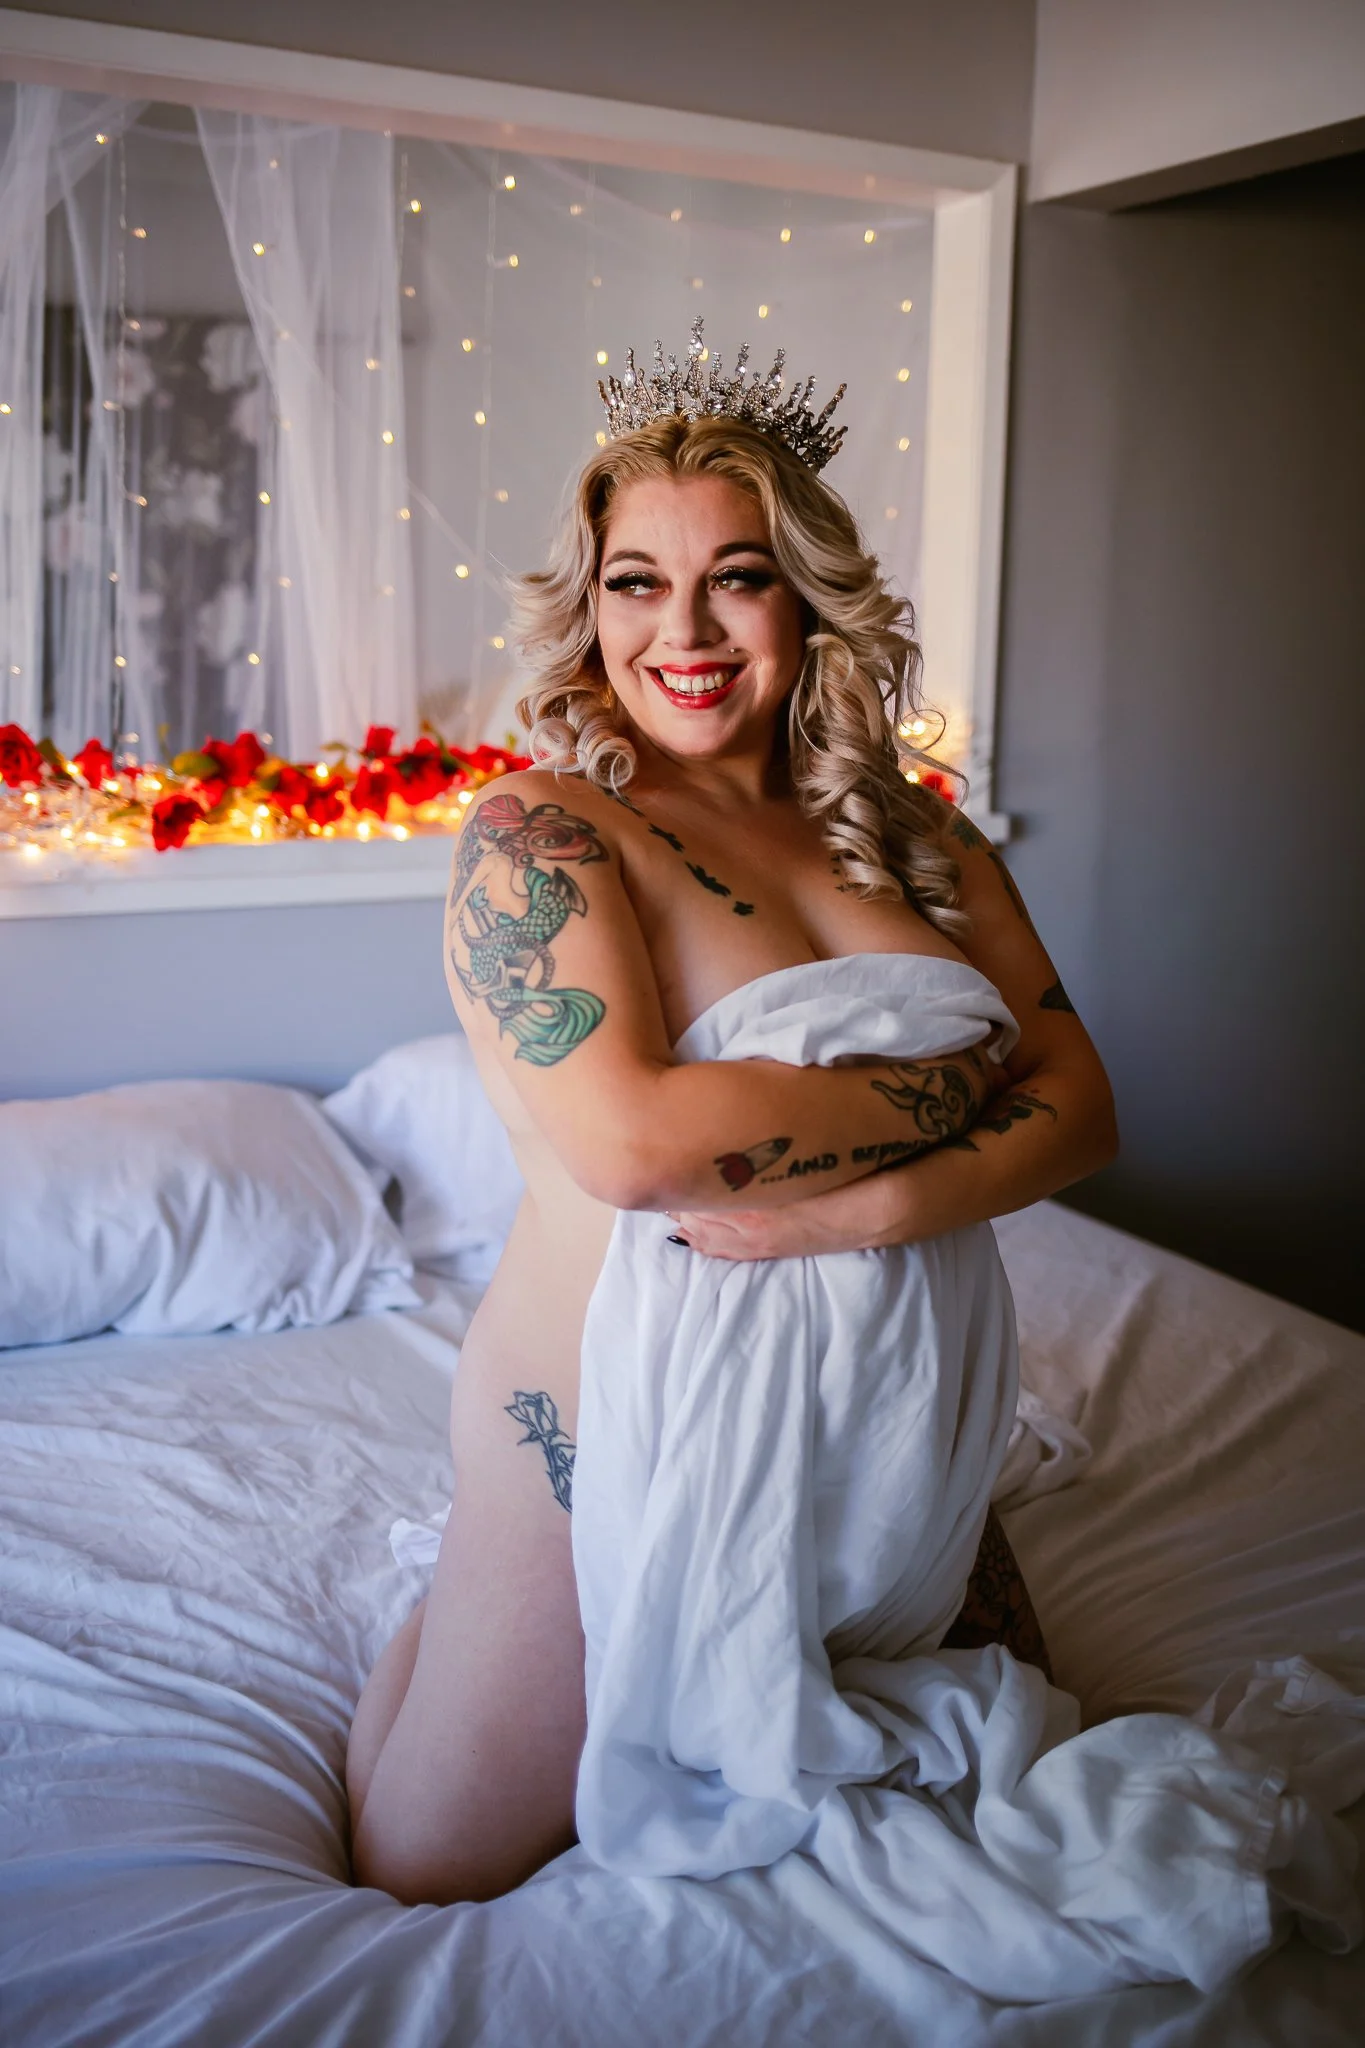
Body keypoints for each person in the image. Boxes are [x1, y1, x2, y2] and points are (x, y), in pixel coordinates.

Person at [346, 326, 1116, 1910]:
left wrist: (870, 1209)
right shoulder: (544, 832)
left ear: (807, 595)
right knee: (426, 1863)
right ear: (589, 603)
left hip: (900, 1425)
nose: (682, 631)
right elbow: (635, 1144)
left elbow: (1088, 1109)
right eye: (635, 581)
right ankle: (435, 1615)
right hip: (599, 1431)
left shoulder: (917, 835)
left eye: (737, 576)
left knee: (1035, 1776)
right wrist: (955, 1085)